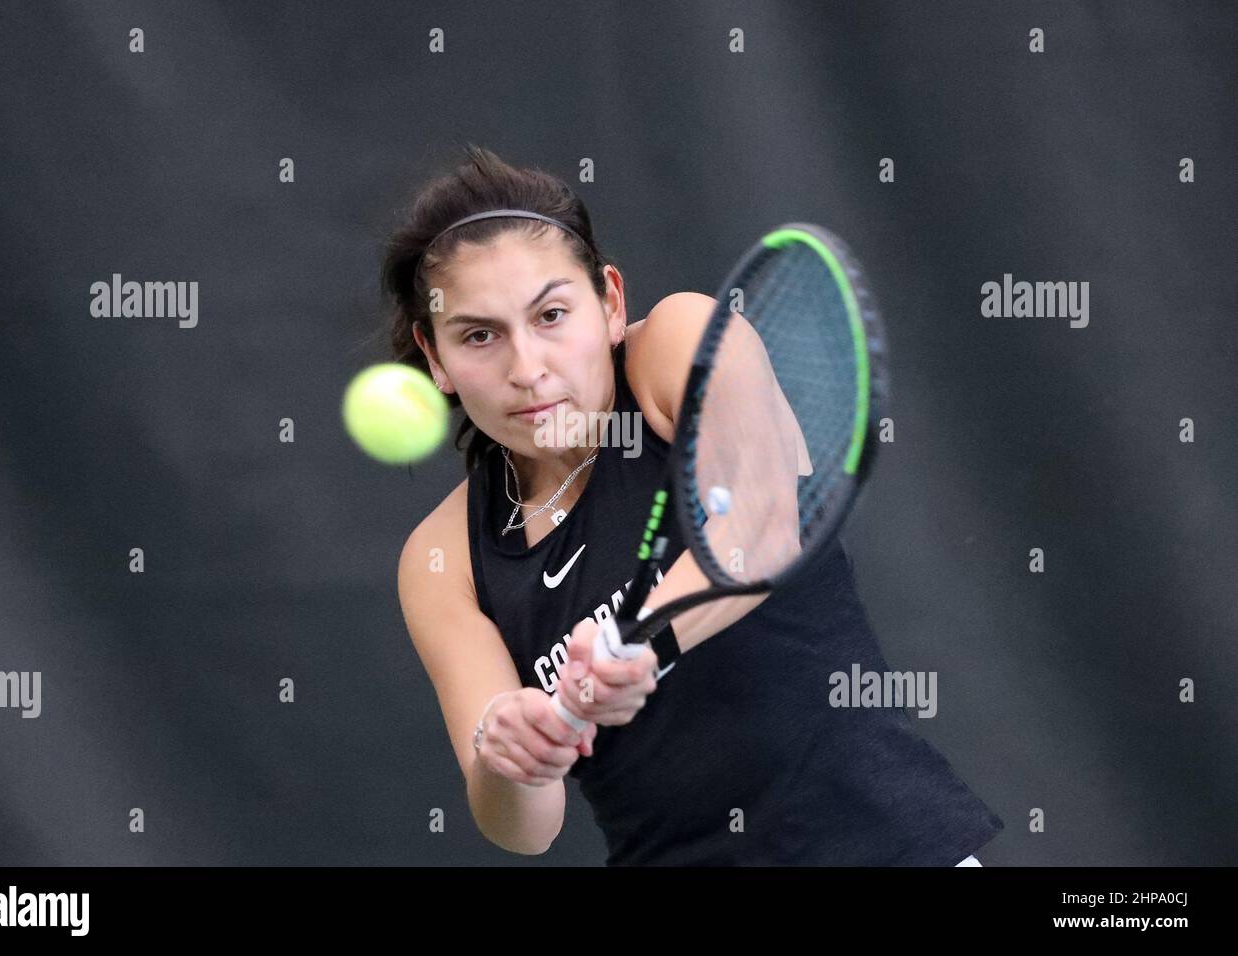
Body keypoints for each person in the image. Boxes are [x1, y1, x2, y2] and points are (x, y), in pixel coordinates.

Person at [388, 144, 1004, 865]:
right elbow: (524, 826)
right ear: (437, 359)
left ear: (611, 302)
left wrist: (641, 639)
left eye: (552, 314)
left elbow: (764, 521)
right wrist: (512, 754)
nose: (528, 369)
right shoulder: (443, 561)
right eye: (480, 335)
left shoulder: (676, 346)